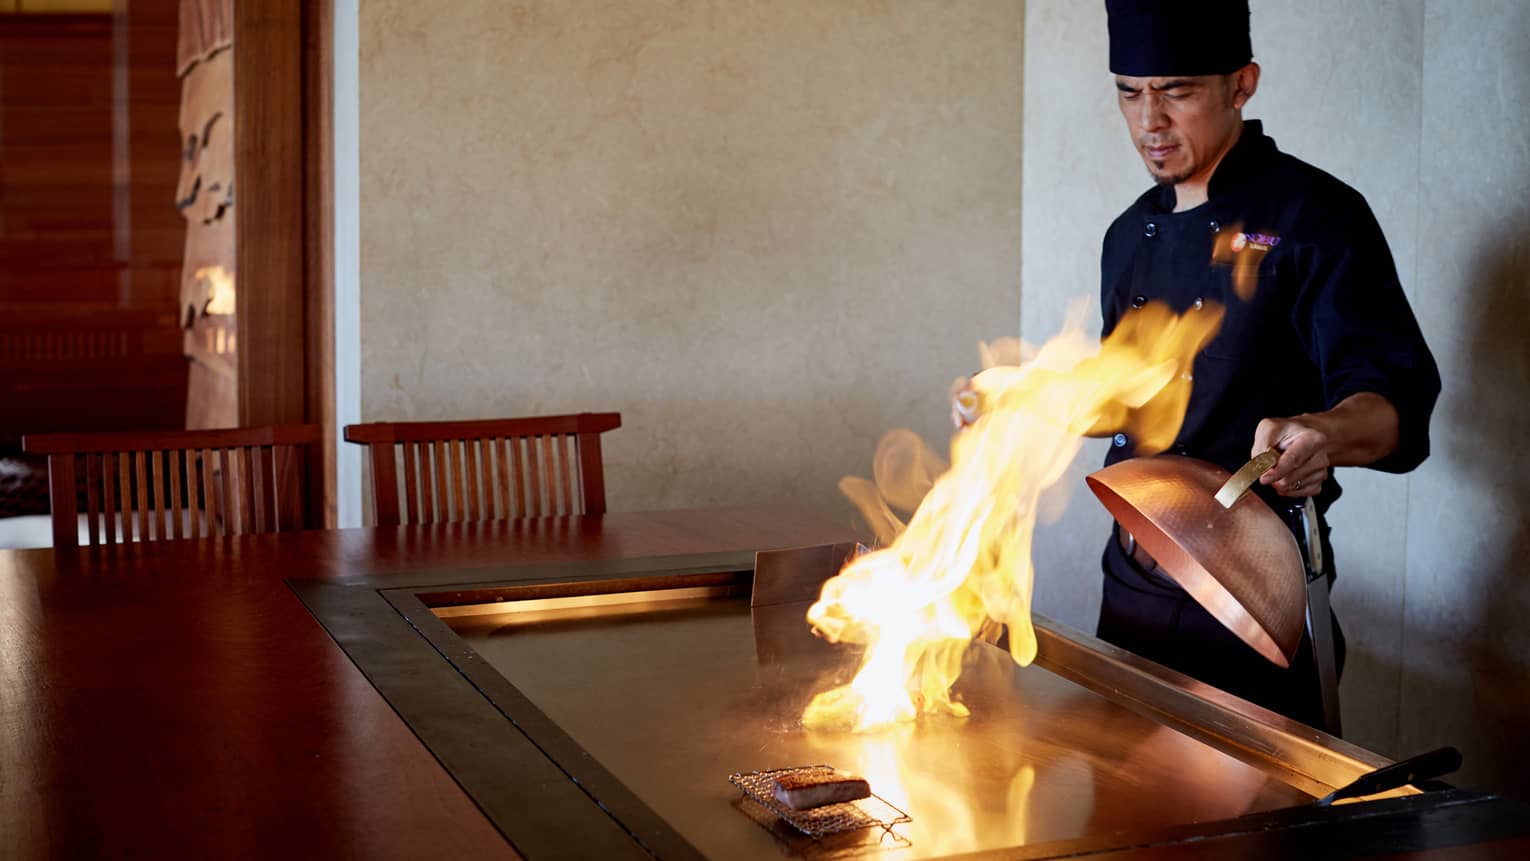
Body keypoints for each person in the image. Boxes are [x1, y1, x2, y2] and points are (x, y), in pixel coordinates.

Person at [1092, 0, 1440, 726]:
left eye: (1177, 91)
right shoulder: (1129, 235)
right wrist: (1020, 404)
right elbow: (1120, 398)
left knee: (1254, 829)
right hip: (1130, 585)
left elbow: (1392, 402)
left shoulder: (1317, 216)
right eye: (1130, 91)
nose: (1149, 120)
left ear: (1241, 84)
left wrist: (1324, 433)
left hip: (1252, 594)